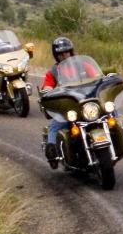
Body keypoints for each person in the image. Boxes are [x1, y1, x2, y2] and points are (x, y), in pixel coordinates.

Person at [41, 36, 100, 166]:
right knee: (54, 126)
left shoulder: (84, 64)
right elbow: (47, 85)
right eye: (60, 54)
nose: (64, 55)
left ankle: (121, 137)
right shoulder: (54, 71)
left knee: (111, 111)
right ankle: (52, 153)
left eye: (66, 52)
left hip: (88, 102)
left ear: (71, 51)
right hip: (69, 106)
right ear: (56, 55)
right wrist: (47, 91)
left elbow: (97, 77)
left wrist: (102, 80)